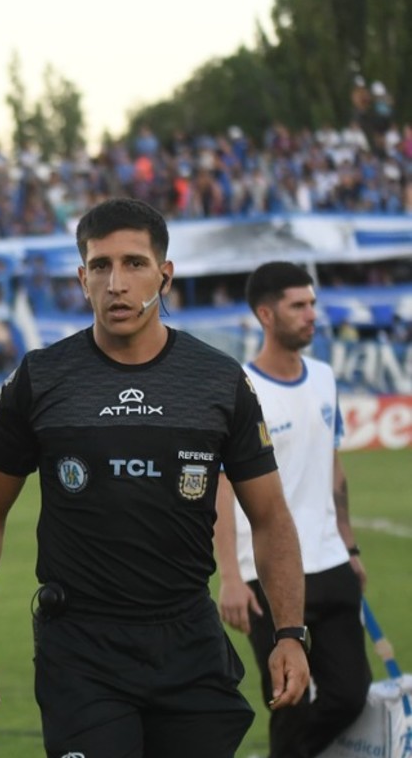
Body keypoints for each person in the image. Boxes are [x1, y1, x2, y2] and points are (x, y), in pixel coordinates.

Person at [0, 197, 309, 758]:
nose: (116, 283)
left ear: (165, 275)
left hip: (187, 641)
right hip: (81, 647)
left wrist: (289, 634)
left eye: (135, 263)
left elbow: (271, 516)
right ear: (81, 278)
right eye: (100, 266)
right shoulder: (42, 378)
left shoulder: (217, 381)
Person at [215, 261, 371, 758]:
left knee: (351, 694)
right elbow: (221, 489)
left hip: (330, 561)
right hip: (269, 573)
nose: (311, 315)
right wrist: (231, 577)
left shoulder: (324, 378)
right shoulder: (241, 388)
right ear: (266, 314)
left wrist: (350, 546)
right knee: (290, 702)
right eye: (298, 306)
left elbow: (332, 467)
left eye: (312, 304)